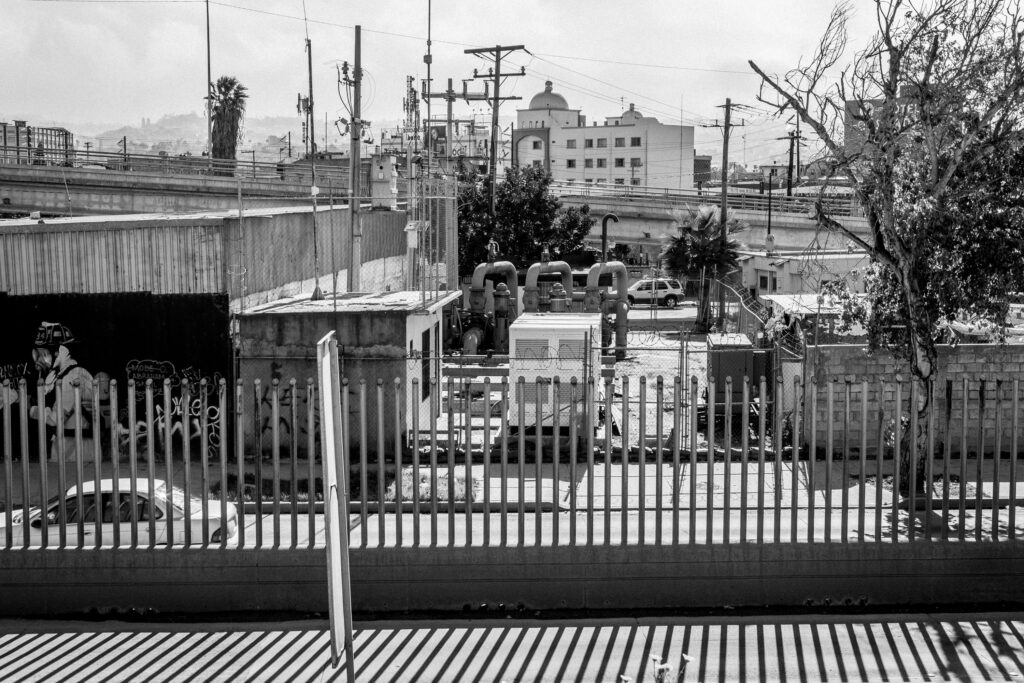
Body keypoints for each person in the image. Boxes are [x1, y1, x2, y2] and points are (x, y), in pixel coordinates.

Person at [28, 322, 96, 461]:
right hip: (62, 443)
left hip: (78, 448)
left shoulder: (74, 375)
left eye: (44, 353)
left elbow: (55, 419)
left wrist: (30, 410)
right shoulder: (56, 375)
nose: (40, 359)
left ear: (59, 351)